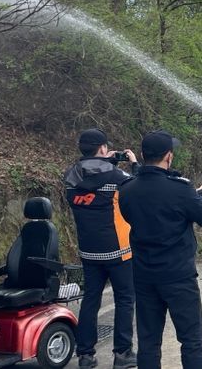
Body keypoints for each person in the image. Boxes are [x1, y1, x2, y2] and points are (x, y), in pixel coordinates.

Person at [118, 130, 202, 369]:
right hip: (178, 277)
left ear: (143, 155)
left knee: (148, 342)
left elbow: (130, 216)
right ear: (169, 156)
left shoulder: (127, 190)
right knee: (192, 340)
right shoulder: (181, 189)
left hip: (144, 276)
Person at [63, 128, 138, 369]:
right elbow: (139, 190)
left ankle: (85, 355)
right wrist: (133, 164)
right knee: (125, 300)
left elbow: (92, 181)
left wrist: (106, 161)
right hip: (119, 251)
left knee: (90, 300)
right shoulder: (117, 176)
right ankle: (122, 354)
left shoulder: (71, 177)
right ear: (103, 148)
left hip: (89, 251)